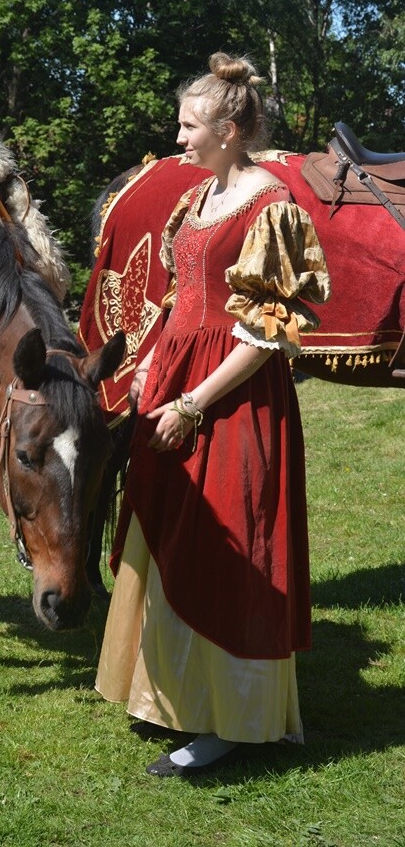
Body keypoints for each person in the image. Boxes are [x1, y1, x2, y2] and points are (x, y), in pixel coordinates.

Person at [95, 52, 332, 776]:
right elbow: (180, 297)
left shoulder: (272, 205)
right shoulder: (197, 197)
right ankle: (174, 695)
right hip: (176, 376)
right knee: (174, 529)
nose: (178, 139)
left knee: (231, 537)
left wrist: (194, 402)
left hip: (231, 397)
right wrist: (149, 368)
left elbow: (266, 333)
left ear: (229, 131)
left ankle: (232, 719)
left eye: (189, 127)